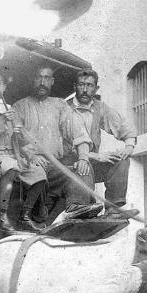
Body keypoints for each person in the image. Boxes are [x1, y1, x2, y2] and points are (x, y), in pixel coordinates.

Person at [13, 65, 95, 227]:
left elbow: (78, 132)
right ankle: (35, 217)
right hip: (29, 167)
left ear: (52, 81)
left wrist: (84, 157)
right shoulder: (19, 107)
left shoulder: (60, 105)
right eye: (38, 77)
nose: (42, 82)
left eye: (47, 78)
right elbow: (15, 138)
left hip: (54, 166)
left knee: (82, 169)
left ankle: (77, 209)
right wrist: (32, 155)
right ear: (32, 80)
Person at [0, 72, 47, 230]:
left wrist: (18, 131)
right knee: (11, 166)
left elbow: (21, 140)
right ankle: (2, 216)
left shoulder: (12, 111)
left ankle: (25, 216)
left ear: (4, 87)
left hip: (12, 156)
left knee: (39, 174)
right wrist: (3, 119)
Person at [66, 68, 138, 210]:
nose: (85, 90)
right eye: (81, 85)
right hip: (69, 163)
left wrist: (129, 145)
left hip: (93, 163)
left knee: (121, 160)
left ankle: (114, 208)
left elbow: (122, 126)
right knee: (83, 164)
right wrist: (94, 156)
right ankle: (79, 207)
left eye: (90, 85)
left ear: (96, 88)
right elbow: (62, 146)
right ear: (75, 87)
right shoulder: (63, 109)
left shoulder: (100, 108)